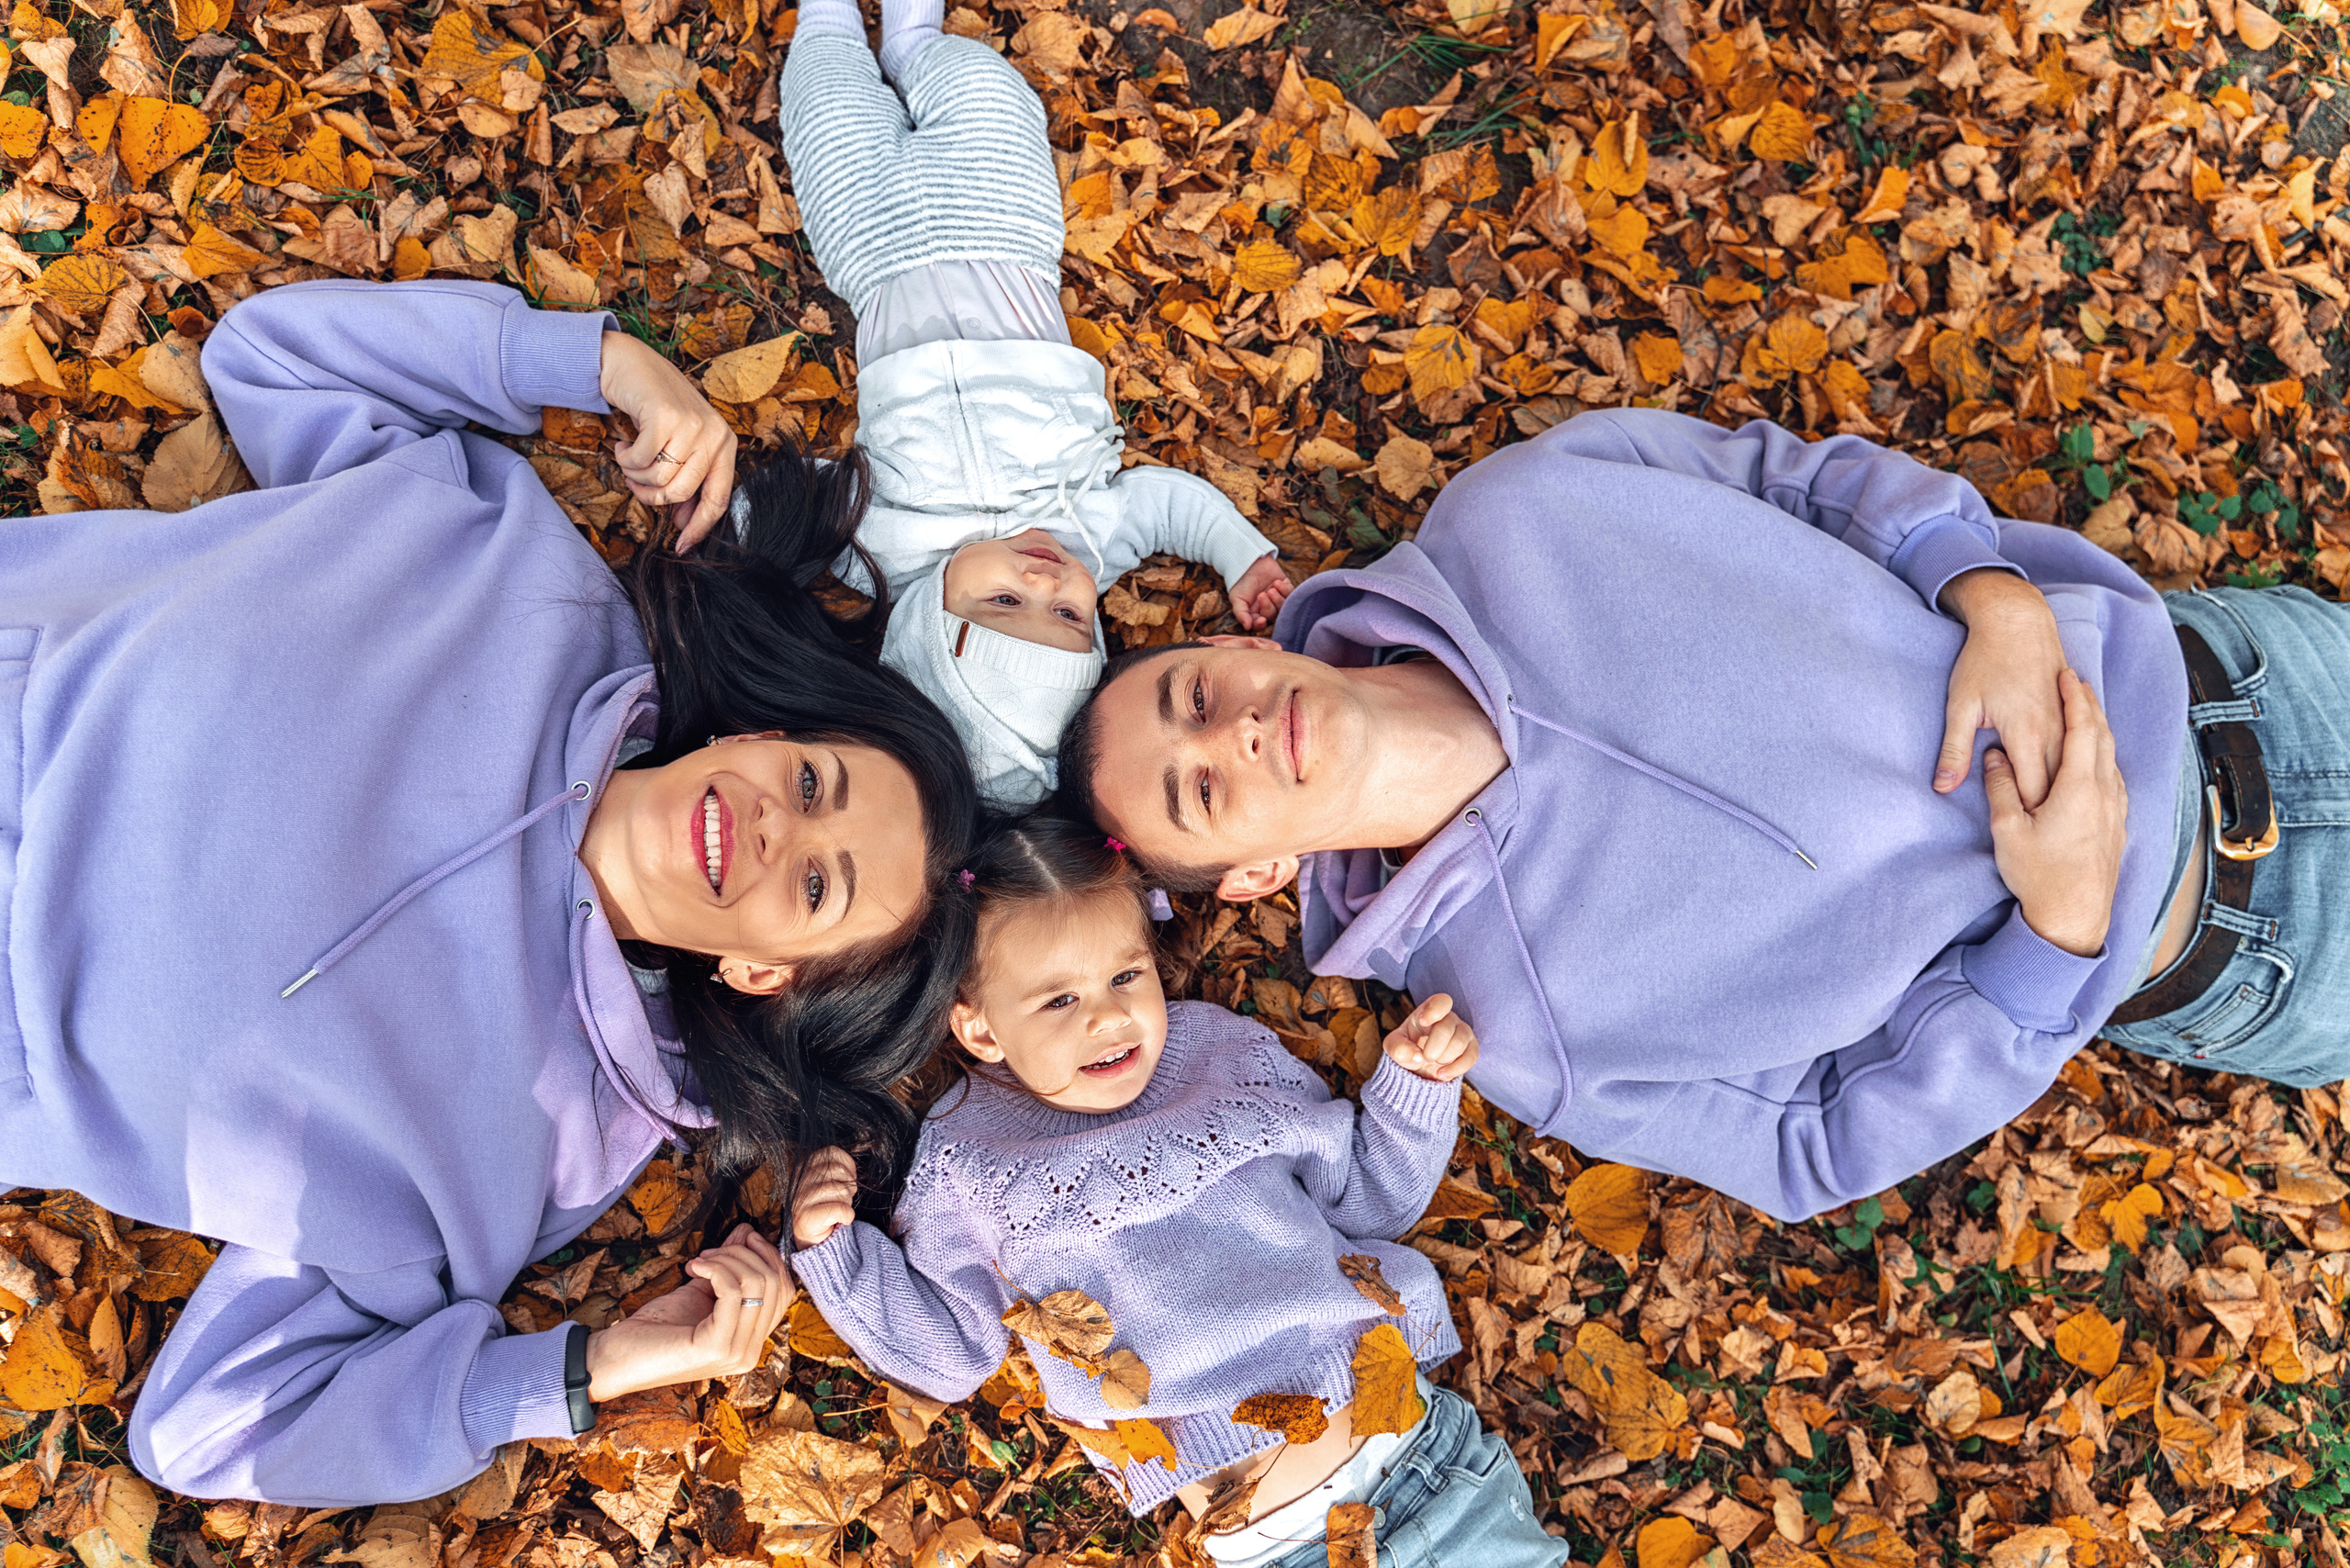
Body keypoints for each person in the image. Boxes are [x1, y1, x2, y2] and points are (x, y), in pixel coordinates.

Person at [0, 279, 981, 1506]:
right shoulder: (523, 576)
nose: (786, 825)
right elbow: (273, 359)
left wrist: (591, 1367)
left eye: (822, 884)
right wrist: (609, 366)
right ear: (769, 733)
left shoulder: (535, 1149)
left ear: (765, 973)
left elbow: (206, 1430)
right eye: (816, 779)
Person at [1053, 409, 2347, 1222]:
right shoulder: (1518, 1033)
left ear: (1235, 642)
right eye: (1201, 789)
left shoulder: (1514, 510)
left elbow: (1803, 482)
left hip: (2246, 678)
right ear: (1257, 874)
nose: (1228, 732)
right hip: (2255, 947)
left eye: (1190, 694)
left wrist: (1988, 589)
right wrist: (2056, 935)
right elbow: (1817, 1146)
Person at [787, 818, 1568, 1568]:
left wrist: (1415, 1089)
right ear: (981, 1029)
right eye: (1059, 1000)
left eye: (1126, 976)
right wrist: (839, 1260)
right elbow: (953, 1350)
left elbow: (1364, 1203)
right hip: (1276, 1547)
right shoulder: (966, 1160)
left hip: (1425, 1464)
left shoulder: (1218, 1056)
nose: (1108, 1017)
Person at [677, 0, 1292, 809]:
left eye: (1004, 602)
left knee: (825, 104)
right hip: (1007, 230)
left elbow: (786, 511)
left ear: (928, 620)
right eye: (1069, 617)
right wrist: (1241, 555)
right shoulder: (1095, 539)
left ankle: (828, 18)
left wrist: (715, 520)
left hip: (873, 247)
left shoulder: (887, 552)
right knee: (989, 92)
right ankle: (913, 40)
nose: (1044, 580)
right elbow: (1173, 507)